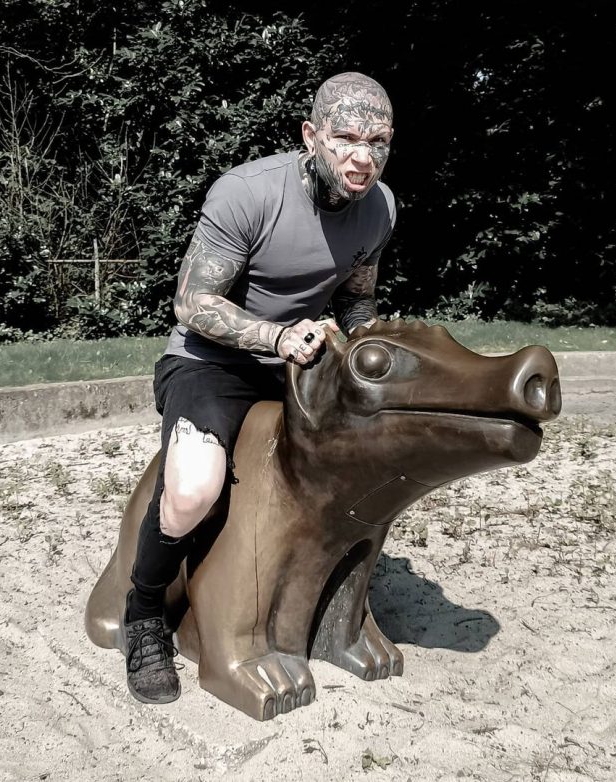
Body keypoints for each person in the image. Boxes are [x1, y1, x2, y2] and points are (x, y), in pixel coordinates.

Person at [122, 71, 397, 704]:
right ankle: (143, 613)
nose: (362, 158)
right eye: (346, 139)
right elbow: (192, 303)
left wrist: (367, 346)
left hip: (299, 360)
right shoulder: (246, 193)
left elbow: (357, 301)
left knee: (371, 463)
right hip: (210, 361)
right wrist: (275, 337)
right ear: (311, 136)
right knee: (193, 489)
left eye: (378, 142)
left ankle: (335, 613)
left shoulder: (380, 207)